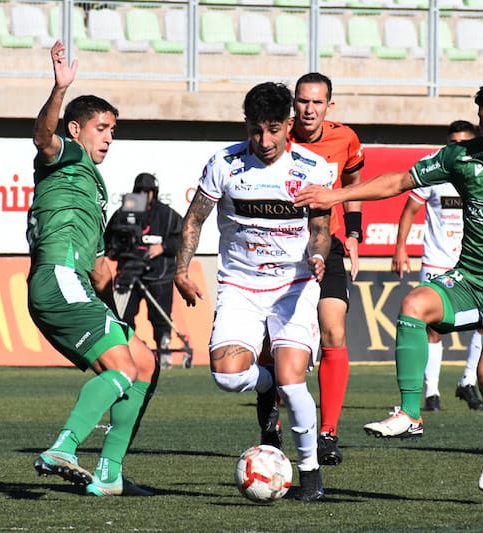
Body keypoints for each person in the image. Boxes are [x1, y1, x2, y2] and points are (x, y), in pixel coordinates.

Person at [294, 76, 483, 492]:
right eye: (482, 121)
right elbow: (399, 181)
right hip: (468, 279)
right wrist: (333, 197)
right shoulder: (462, 156)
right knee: (413, 304)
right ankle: (409, 412)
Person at [174, 81, 333, 502]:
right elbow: (194, 219)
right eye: (256, 130)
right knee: (227, 378)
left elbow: (320, 231)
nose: (264, 141)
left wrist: (318, 256)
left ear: (289, 125)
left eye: (274, 130)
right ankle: (265, 388)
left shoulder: (313, 169)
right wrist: (182, 267)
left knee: (293, 380)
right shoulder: (224, 163)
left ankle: (311, 476)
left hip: (294, 286)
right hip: (240, 284)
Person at [26, 41, 158, 497]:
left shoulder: (91, 185)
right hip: (58, 277)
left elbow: (99, 268)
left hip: (72, 281)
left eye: (113, 130)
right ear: (76, 129)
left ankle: (109, 473)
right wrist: (59, 89)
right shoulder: (65, 156)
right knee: (120, 366)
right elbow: (43, 137)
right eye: (101, 128)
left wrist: (108, 292)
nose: (108, 136)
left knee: (142, 360)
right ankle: (64, 447)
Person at [256, 72, 365, 466]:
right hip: (280, 251)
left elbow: (353, 183)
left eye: (317, 102)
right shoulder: (277, 139)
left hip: (327, 245)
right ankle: (271, 422)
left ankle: (328, 432)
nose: (308, 109)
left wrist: (353, 234)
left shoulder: (346, 139)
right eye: (302, 101)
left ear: (329, 106)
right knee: (271, 343)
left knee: (334, 328)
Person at [391, 120, 483, 413]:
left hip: (472, 262)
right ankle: (432, 392)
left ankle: (468, 381)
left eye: (462, 142)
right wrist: (400, 246)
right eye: (452, 142)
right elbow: (410, 210)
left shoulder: (481, 174)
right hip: (437, 260)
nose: (456, 147)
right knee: (433, 328)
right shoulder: (437, 172)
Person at [104, 172, 183, 369]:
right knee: (125, 315)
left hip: (159, 273)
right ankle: (128, 351)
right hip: (130, 273)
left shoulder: (167, 215)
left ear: (154, 193)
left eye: (148, 191)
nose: (143, 195)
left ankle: (164, 350)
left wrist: (163, 247)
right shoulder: (125, 211)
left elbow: (182, 238)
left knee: (160, 316)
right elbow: (110, 238)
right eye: (139, 191)